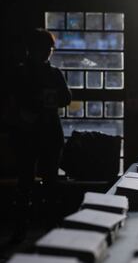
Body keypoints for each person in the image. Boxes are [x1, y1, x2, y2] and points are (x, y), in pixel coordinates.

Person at [7, 28, 71, 243]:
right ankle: (38, 228)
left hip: (37, 133)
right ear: (32, 49)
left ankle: (31, 229)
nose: (46, 53)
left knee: (40, 183)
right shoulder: (30, 73)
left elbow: (66, 98)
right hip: (38, 132)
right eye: (44, 49)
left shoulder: (30, 73)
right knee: (32, 183)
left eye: (49, 49)